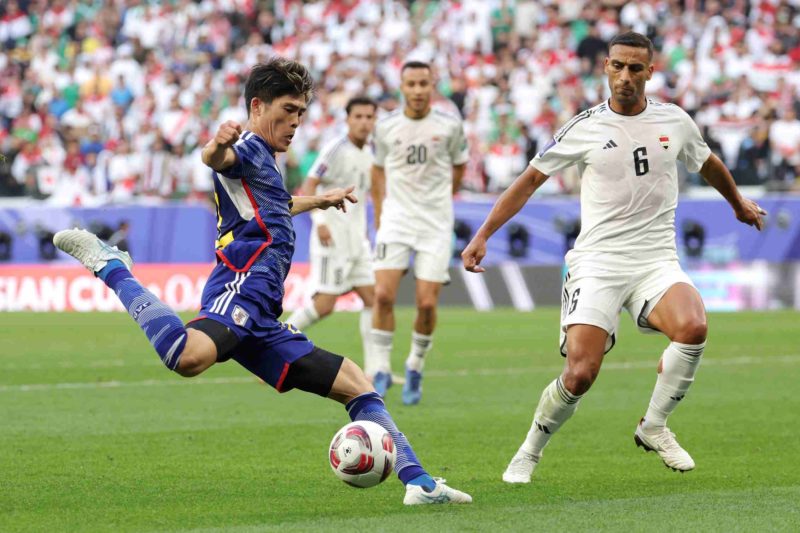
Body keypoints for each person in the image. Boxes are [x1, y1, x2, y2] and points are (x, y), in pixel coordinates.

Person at [54, 58, 471, 505]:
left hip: (263, 311)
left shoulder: (267, 163)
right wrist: (215, 145)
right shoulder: (248, 148)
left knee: (357, 382)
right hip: (241, 284)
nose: (295, 122)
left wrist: (319, 200)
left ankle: (420, 484)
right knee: (186, 356)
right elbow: (217, 159)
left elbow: (274, 206)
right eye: (288, 109)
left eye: (301, 114)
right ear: (257, 106)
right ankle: (112, 266)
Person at [461, 32, 766, 483]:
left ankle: (655, 425)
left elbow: (708, 163)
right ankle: (529, 450)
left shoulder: (675, 121)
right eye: (618, 66)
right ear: (605, 67)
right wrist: (483, 234)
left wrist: (737, 203)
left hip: (655, 259)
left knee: (694, 326)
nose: (625, 76)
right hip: (598, 261)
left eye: (635, 68)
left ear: (650, 72)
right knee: (581, 373)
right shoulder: (584, 126)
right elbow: (528, 181)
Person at [370, 61, 469, 404]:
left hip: (435, 224)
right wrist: (382, 214)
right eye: (410, 84)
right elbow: (377, 171)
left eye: (423, 84)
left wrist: (438, 201)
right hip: (396, 221)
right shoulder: (385, 127)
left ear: (432, 86)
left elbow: (459, 168)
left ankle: (415, 365)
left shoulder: (450, 125)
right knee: (382, 296)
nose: (417, 90)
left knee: (426, 303)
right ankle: (381, 368)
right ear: (401, 85)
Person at [287, 97, 378, 378]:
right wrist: (319, 219)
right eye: (358, 116)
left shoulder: (371, 153)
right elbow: (309, 185)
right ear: (348, 119)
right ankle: (273, 347)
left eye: (369, 117)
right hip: (332, 238)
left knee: (373, 299)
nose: (364, 122)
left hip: (357, 241)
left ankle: (376, 371)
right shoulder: (336, 149)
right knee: (325, 304)